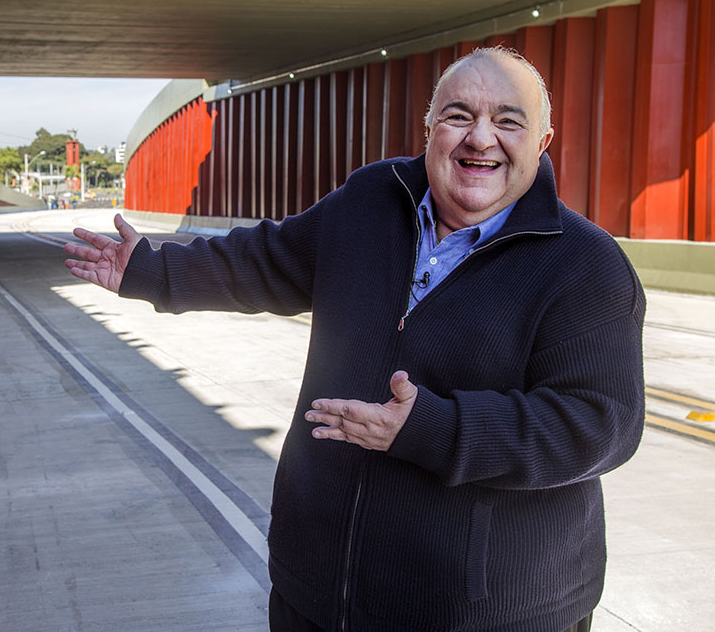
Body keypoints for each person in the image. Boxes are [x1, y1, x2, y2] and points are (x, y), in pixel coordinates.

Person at [64, 47, 644, 632]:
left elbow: (601, 425)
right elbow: (268, 260)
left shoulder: (584, 265)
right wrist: (148, 270)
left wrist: (431, 429)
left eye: (508, 121)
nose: (480, 139)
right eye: (458, 116)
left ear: (542, 143)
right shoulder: (370, 202)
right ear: (429, 130)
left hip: (486, 613)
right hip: (315, 593)